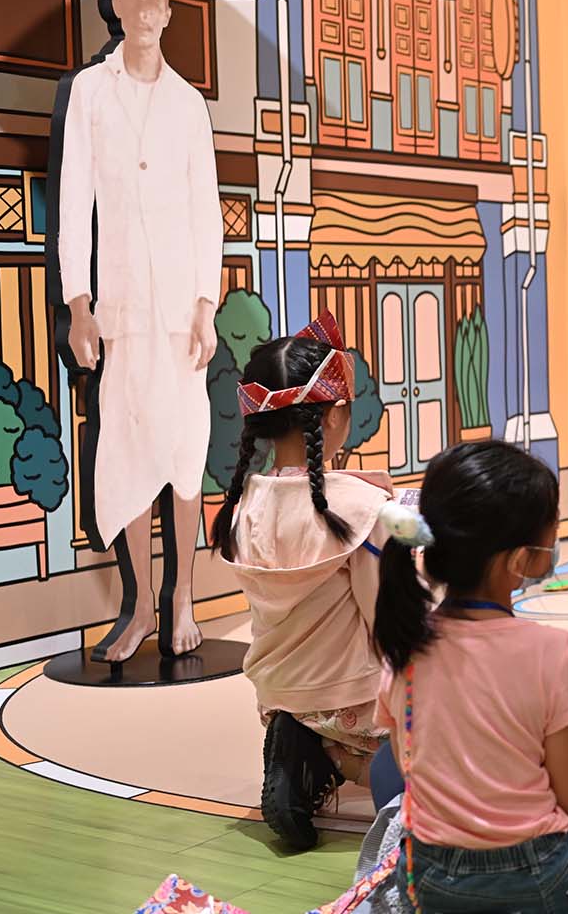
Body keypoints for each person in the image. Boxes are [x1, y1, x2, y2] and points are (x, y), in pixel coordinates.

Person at [371, 441, 568, 914]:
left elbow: (407, 767)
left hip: (431, 884)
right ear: (521, 561)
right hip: (540, 882)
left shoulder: (405, 647)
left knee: (385, 760)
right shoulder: (552, 651)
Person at [57, 0, 223, 662]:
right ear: (117, 9)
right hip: (121, 305)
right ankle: (139, 608)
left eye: (160, 5)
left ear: (170, 15)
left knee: (184, 451)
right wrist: (77, 304)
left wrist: (208, 306)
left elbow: (205, 209)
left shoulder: (189, 105)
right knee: (125, 451)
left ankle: (181, 597)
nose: (149, 16)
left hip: (181, 310)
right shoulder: (91, 94)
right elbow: (72, 200)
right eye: (136, 3)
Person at [211, 313, 391, 851]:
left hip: (280, 694)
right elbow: (388, 624)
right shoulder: (360, 509)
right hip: (356, 702)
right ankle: (340, 759)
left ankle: (304, 741)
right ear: (336, 415)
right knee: (452, 761)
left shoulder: (242, 509)